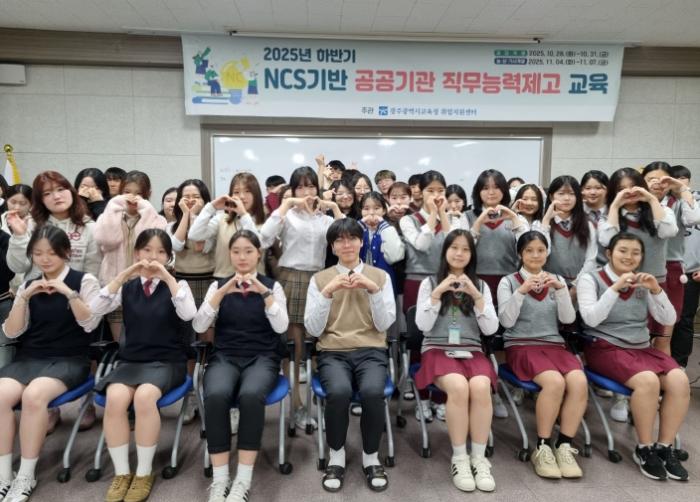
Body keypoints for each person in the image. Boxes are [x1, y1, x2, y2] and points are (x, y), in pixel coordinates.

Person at [90, 229, 197, 502]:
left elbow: (189, 315)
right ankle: (122, 473)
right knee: (115, 398)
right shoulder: (127, 287)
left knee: (145, 397)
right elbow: (95, 308)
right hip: (131, 361)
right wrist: (123, 276)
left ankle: (143, 472)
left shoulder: (178, 286)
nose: (153, 257)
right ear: (137, 253)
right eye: (147, 250)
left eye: (161, 252)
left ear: (169, 257)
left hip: (167, 361)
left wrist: (168, 278)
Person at [0, 226, 101, 502]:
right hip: (30, 357)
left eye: (52, 253)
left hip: (70, 358)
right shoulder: (28, 285)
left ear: (66, 253)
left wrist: (68, 293)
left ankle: (26, 476)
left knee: (34, 396)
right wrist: (23, 297)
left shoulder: (84, 280)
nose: (44, 259)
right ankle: (4, 475)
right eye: (38, 254)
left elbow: (90, 324)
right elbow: (12, 331)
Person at [578, 232, 689, 481]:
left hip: (642, 348)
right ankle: (644, 449)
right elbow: (591, 319)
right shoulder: (591, 278)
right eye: (623, 251)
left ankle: (664, 447)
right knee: (648, 381)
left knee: (680, 380)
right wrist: (615, 288)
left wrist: (656, 290)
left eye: (636, 253)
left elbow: (669, 319)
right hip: (605, 347)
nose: (629, 257)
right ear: (609, 254)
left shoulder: (643, 281)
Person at [193, 230, 289, 502]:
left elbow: (281, 327)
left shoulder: (272, 286)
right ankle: (220, 479)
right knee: (215, 394)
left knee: (250, 395)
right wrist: (221, 293)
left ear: (259, 254)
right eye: (236, 251)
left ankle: (242, 481)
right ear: (229, 254)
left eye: (248, 251)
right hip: (226, 355)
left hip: (263, 357)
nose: (242, 257)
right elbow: (199, 325)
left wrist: (264, 293)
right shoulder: (218, 285)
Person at [304, 218, 396, 493]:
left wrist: (373, 290)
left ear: (361, 242)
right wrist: (327, 292)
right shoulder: (319, 279)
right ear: (332, 247)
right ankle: (336, 456)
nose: (346, 245)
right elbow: (313, 329)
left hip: (371, 350)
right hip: (333, 352)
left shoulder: (380, 277)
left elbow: (384, 324)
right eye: (340, 240)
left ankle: (371, 457)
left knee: (372, 392)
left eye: (352, 238)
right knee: (339, 392)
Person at [260, 166, 344, 430]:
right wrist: (285, 205)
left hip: (320, 280)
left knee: (321, 345)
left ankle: (323, 399)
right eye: (300, 187)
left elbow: (347, 237)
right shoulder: (287, 216)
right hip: (291, 279)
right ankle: (296, 405)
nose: (306, 192)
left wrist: (334, 207)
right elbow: (264, 238)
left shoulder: (324, 220)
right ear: (293, 190)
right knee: (294, 349)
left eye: (311, 186)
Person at [414, 229, 498, 492]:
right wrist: (437, 293)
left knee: (481, 387)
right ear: (445, 251)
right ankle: (460, 458)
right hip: (437, 349)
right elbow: (422, 325)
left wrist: (476, 296)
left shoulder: (480, 286)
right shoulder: (429, 283)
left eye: (465, 249)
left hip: (472, 349)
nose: (459, 253)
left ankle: (479, 458)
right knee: (459, 387)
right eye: (454, 248)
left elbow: (490, 329)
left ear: (472, 255)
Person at [498, 231, 586, 479]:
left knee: (579, 381)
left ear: (547, 253)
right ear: (520, 254)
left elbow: (567, 319)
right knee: (554, 382)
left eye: (540, 250)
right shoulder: (509, 281)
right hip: (521, 345)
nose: (535, 255)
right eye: (529, 251)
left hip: (554, 345)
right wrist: (521, 291)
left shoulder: (556, 279)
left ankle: (564, 445)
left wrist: (561, 290)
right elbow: (505, 322)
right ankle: (543, 447)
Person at [399, 170, 458, 422]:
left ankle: (441, 398)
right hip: (417, 281)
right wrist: (433, 214)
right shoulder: (408, 220)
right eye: (430, 191)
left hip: (447, 281)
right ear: (420, 192)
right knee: (419, 340)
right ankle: (422, 397)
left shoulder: (453, 218)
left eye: (440, 191)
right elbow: (422, 245)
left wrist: (443, 214)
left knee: (447, 339)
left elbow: (454, 245)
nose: (436, 195)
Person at [94, 170, 167, 339]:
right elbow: (107, 240)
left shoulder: (157, 220)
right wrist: (113, 206)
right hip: (115, 284)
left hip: (144, 286)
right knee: (120, 340)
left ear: (147, 195)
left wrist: (146, 211)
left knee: (144, 335)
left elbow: (146, 244)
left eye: (138, 193)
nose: (132, 198)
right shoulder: (108, 217)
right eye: (127, 192)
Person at [167, 179, 215, 424]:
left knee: (208, 339)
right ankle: (191, 396)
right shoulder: (171, 226)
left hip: (208, 282)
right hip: (183, 284)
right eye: (185, 196)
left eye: (196, 196)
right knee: (187, 342)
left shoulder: (213, 224)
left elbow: (200, 246)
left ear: (205, 200)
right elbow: (175, 245)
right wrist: (186, 215)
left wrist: (196, 216)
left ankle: (209, 391)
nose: (190, 200)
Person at [641, 161, 700, 356]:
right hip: (641, 270)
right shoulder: (636, 203)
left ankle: (668, 371)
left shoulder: (678, 203)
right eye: (651, 179)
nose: (656, 183)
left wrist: (681, 188)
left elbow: (694, 219)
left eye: (662, 180)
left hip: (671, 271)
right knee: (639, 332)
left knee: (664, 335)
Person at [188, 172, 266, 281]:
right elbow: (194, 235)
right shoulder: (222, 219)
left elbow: (258, 245)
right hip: (223, 279)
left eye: (247, 191)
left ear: (256, 194)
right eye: (236, 192)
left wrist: (243, 214)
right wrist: (211, 207)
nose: (242, 196)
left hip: (255, 281)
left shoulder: (265, 221)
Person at [537, 175, 597, 290]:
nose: (567, 198)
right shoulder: (540, 224)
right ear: (551, 197)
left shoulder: (587, 225)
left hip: (579, 287)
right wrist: (546, 222)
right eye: (561, 193)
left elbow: (591, 259)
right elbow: (541, 254)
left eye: (572, 194)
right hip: (548, 286)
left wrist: (576, 286)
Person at [670, 165, 700, 367]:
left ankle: (679, 365)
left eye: (683, 178)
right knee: (661, 320)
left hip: (691, 273)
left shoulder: (696, 201)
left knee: (684, 321)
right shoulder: (664, 203)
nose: (679, 182)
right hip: (666, 271)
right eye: (675, 178)